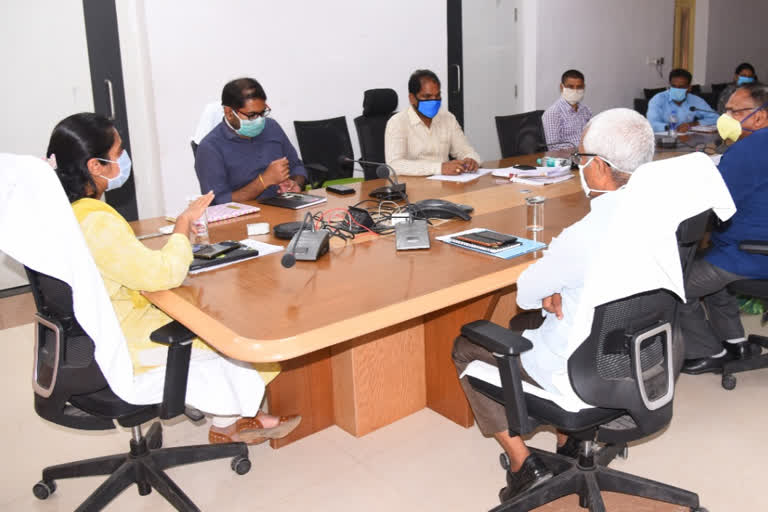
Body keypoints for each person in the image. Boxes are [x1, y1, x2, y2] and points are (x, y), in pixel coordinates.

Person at [452, 108, 733, 503]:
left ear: (599, 167)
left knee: (469, 345)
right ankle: (569, 445)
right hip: (644, 362)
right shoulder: (663, 215)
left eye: (580, 159)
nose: (579, 168)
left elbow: (527, 293)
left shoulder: (582, 235)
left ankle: (522, 465)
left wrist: (553, 288)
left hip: (582, 377)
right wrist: (564, 289)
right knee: (538, 319)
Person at [47, 112, 301, 445]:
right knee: (233, 329)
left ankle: (230, 418)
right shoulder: (95, 221)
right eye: (117, 151)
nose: (124, 159)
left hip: (92, 328)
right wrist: (184, 224)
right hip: (124, 338)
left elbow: (123, 263)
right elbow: (162, 275)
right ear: (96, 166)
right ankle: (234, 419)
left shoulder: (60, 208)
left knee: (207, 307)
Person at [680, 83, 768, 374]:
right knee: (706, 261)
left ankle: (710, 352)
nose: (726, 116)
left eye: (734, 111)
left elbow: (714, 199)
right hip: (752, 246)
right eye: (725, 109)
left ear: (760, 117)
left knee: (673, 287)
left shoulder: (752, 148)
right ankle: (735, 342)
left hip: (751, 253)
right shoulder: (755, 144)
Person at [194, 78, 307, 205]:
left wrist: (295, 183)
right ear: (229, 113)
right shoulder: (210, 148)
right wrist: (264, 181)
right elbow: (217, 202)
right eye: (252, 115)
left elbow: (297, 166)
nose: (259, 120)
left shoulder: (271, 127)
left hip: (285, 209)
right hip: (244, 220)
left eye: (262, 113)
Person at [385, 69, 481, 176]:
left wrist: (471, 160)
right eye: (427, 97)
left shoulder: (448, 118)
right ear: (412, 98)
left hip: (446, 184)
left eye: (437, 96)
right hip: (412, 188)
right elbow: (394, 165)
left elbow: (465, 150)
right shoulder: (397, 122)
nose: (434, 101)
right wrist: (439, 168)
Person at [646, 68, 719, 133]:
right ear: (669, 86)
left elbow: (715, 117)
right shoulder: (658, 99)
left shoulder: (695, 100)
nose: (677, 90)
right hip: (662, 139)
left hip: (687, 138)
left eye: (681, 87)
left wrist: (691, 124)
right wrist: (673, 128)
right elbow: (651, 123)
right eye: (673, 86)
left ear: (689, 88)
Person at [541, 69, 593, 150]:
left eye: (579, 87)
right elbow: (553, 146)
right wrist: (580, 148)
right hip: (566, 158)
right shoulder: (553, 113)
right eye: (570, 87)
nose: (575, 91)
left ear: (584, 87)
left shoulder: (586, 110)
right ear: (562, 87)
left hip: (586, 154)